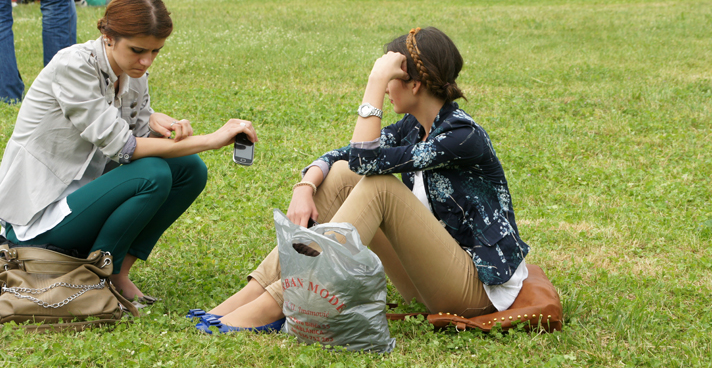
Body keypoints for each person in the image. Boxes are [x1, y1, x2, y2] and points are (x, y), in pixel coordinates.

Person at [195, 27, 529, 334]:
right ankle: (252, 295)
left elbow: (366, 161)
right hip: (429, 279)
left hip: (477, 289)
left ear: (414, 84)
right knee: (342, 175)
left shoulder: (461, 136)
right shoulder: (414, 126)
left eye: (389, 79)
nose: (385, 87)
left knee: (378, 186)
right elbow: (344, 158)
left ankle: (273, 306)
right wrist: (305, 186)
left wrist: (374, 82)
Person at [0, 0, 258, 304]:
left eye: (156, 51)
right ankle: (94, 280)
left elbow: (136, 133)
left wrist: (157, 125)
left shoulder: (131, 71)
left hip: (83, 198)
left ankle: (117, 273)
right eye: (138, 50)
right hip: (37, 222)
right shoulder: (73, 65)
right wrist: (211, 140)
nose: (146, 61)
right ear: (108, 35)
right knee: (153, 173)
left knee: (190, 169)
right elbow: (124, 148)